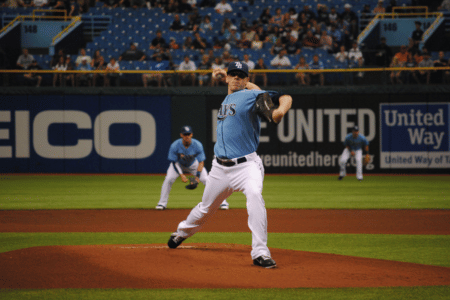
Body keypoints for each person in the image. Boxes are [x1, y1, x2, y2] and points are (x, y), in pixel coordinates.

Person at [167, 61, 293, 270]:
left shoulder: (251, 95)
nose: (236, 78)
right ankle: (181, 233)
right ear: (227, 78)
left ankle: (260, 252)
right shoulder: (229, 97)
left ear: (247, 80)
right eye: (232, 74)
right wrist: (221, 73)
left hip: (246, 166)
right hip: (220, 168)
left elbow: (285, 95)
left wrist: (280, 111)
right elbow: (242, 85)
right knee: (205, 209)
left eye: (241, 75)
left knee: (254, 195)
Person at [156, 125, 230, 211]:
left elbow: (201, 162)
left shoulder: (197, 145)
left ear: (191, 135)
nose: (187, 136)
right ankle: (162, 203)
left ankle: (223, 202)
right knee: (169, 179)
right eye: (185, 134)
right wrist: (181, 175)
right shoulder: (175, 145)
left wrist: (197, 177)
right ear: (181, 135)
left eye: (188, 134)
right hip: (178, 165)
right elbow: (174, 162)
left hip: (193, 164)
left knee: (207, 180)